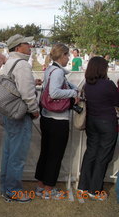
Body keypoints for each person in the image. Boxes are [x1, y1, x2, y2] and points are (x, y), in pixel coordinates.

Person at [34, 43, 79, 200]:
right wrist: (73, 92)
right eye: (67, 55)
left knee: (46, 152)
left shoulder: (51, 70)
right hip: (58, 119)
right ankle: (49, 188)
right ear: (62, 55)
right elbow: (54, 92)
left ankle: (41, 185)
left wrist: (73, 87)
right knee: (55, 154)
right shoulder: (58, 72)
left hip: (47, 117)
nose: (69, 58)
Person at [0, 34, 39, 203]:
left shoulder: (9, 63)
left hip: (9, 112)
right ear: (18, 48)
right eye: (26, 44)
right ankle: (13, 190)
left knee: (9, 152)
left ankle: (6, 187)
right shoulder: (22, 65)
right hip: (20, 114)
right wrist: (34, 110)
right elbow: (27, 93)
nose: (29, 46)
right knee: (17, 155)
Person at [78, 57, 119, 200]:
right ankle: (94, 190)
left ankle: (83, 186)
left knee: (90, 153)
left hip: (92, 122)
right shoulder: (108, 85)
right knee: (103, 156)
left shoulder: (87, 85)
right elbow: (117, 101)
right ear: (102, 69)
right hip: (107, 123)